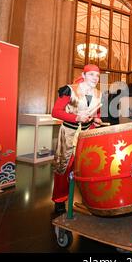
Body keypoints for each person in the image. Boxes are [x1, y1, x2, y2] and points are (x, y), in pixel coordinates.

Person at [51, 64, 102, 214]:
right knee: (64, 166)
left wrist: (96, 119)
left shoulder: (98, 93)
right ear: (84, 75)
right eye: (92, 75)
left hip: (87, 133)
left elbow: (95, 113)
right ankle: (60, 199)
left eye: (97, 75)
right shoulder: (69, 90)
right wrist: (76, 117)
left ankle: (87, 198)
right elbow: (55, 112)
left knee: (87, 166)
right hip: (68, 133)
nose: (95, 78)